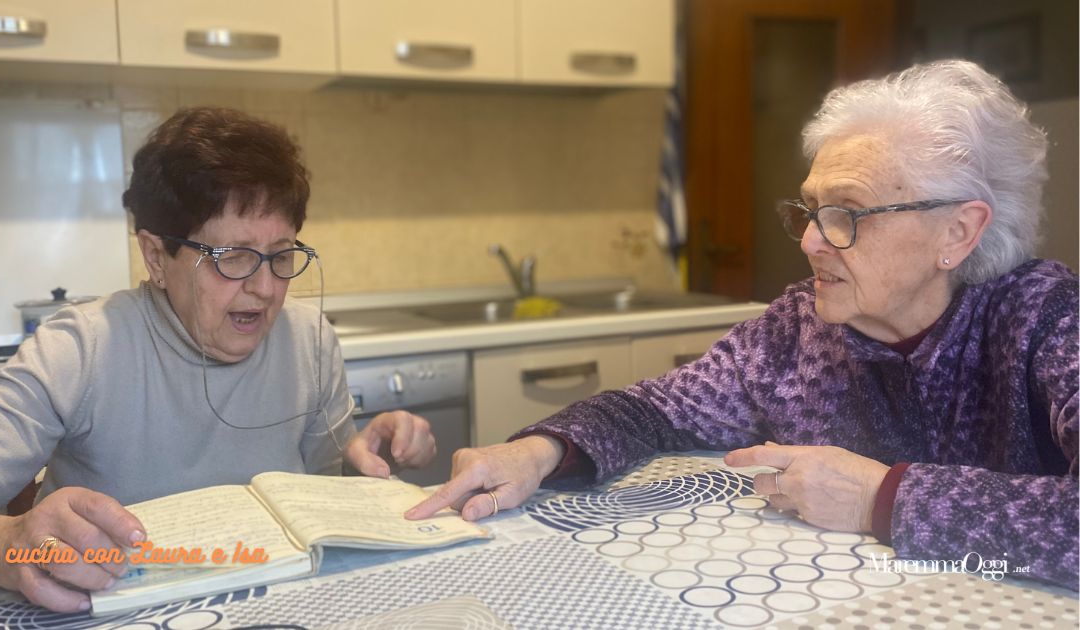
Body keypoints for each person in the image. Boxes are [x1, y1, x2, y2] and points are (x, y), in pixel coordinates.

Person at [409, 60, 1079, 589]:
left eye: (847, 214)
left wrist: (883, 496)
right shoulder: (792, 332)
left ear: (958, 233)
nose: (812, 242)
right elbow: (654, 411)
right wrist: (540, 452)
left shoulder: (1045, 317)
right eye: (810, 211)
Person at [0, 107, 438, 612]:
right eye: (235, 257)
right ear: (155, 255)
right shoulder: (80, 349)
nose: (267, 289)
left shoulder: (309, 340)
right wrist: (6, 546)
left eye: (282, 255)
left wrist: (365, 459)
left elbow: (322, 499)